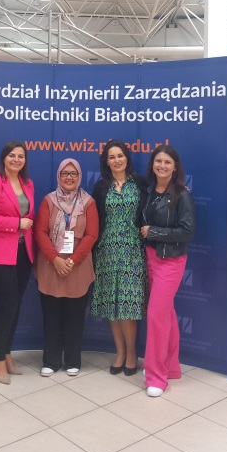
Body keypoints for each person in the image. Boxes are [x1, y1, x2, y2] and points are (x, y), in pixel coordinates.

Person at [138, 144, 196, 397]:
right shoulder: (149, 191)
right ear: (153, 164)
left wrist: (154, 232)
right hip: (151, 257)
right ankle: (171, 367)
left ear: (175, 167)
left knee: (155, 315)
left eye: (167, 162)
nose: (162, 166)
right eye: (158, 161)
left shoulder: (182, 195)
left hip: (171, 261)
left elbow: (187, 231)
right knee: (166, 314)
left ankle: (156, 376)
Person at [35, 159, 98, 377]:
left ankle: (72, 360)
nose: (69, 177)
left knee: (75, 317)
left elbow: (91, 235)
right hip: (50, 266)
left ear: (79, 177)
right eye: (64, 173)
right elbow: (40, 232)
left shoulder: (89, 202)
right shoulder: (48, 201)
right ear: (58, 176)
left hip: (77, 267)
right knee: (51, 316)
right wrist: (55, 260)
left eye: (73, 174)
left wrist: (71, 261)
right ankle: (51, 361)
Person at [90, 139, 148, 376]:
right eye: (111, 157)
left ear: (127, 158)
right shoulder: (101, 187)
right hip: (107, 252)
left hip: (133, 251)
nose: (116, 160)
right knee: (112, 305)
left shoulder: (141, 183)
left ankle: (132, 353)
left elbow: (161, 196)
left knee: (128, 305)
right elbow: (95, 219)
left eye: (120, 156)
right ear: (106, 161)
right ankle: (120, 352)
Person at [0, 141, 35, 384]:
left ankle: (7, 352)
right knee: (8, 303)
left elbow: (30, 216)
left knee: (16, 304)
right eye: (12, 155)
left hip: (25, 252)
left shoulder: (28, 183)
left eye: (21, 156)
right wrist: (16, 223)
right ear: (4, 158)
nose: (16, 160)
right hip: (1, 253)